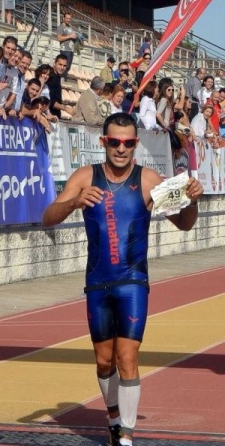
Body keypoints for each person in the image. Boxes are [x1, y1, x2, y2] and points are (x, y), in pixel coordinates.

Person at [42, 112, 203, 446]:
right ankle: (114, 418)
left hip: (133, 280)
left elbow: (184, 223)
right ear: (103, 142)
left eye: (128, 142)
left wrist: (192, 202)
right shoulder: (86, 176)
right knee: (104, 362)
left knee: (128, 357)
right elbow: (47, 218)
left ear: (136, 144)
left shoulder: (149, 181)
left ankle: (126, 436)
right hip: (98, 281)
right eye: (114, 141)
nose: (121, 149)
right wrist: (74, 202)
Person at [47, 53, 74, 119]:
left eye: (64, 66)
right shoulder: (52, 78)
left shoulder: (57, 77)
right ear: (54, 63)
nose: (62, 68)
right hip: (50, 116)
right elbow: (51, 101)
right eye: (60, 64)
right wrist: (66, 108)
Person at [57, 12, 77, 79]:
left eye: (69, 19)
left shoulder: (70, 27)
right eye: (67, 18)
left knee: (68, 66)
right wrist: (70, 36)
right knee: (64, 66)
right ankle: (61, 79)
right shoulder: (61, 27)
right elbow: (59, 38)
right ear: (63, 18)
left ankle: (63, 79)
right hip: (65, 50)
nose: (68, 20)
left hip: (71, 50)